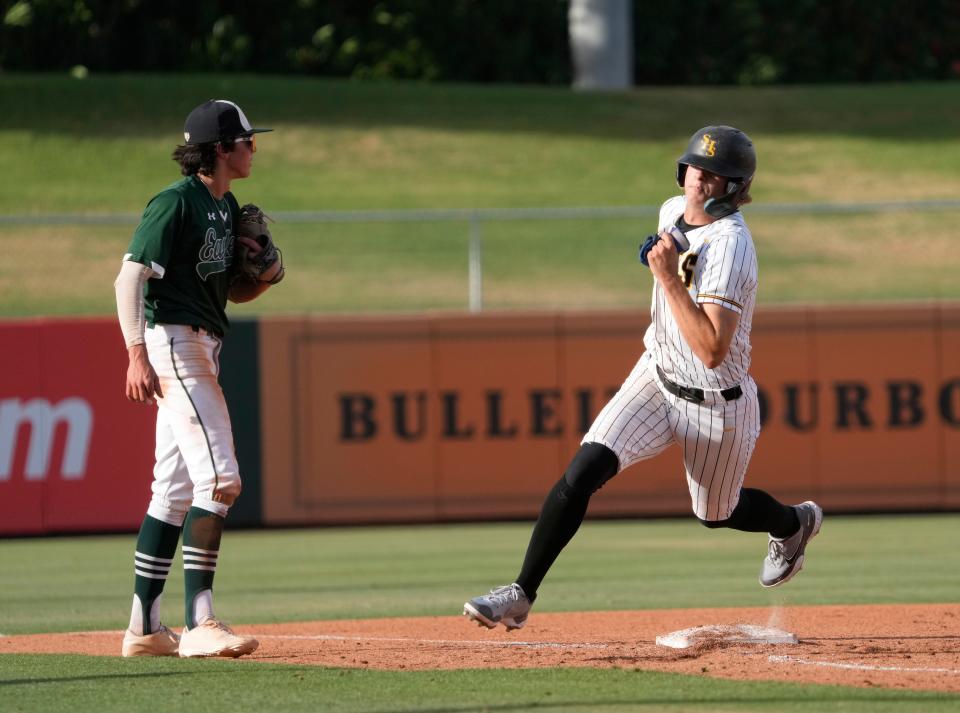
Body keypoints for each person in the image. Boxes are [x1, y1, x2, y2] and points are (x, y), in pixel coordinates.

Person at [464, 125, 822, 631]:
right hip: (656, 375)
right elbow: (673, 241)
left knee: (717, 513)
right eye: (698, 169)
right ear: (683, 171)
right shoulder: (670, 210)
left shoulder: (733, 247)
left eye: (717, 176)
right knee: (583, 470)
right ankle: (521, 592)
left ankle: (794, 523)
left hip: (715, 400)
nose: (702, 182)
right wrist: (661, 253)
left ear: (737, 188)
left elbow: (714, 350)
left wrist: (667, 276)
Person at [115, 99, 284, 657]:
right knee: (222, 478)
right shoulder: (176, 203)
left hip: (202, 340)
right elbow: (129, 278)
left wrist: (262, 278)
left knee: (173, 491)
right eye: (247, 141)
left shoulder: (224, 204)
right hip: (175, 342)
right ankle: (201, 623)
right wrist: (136, 352)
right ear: (220, 149)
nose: (253, 148)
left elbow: (230, 289)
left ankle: (143, 627)